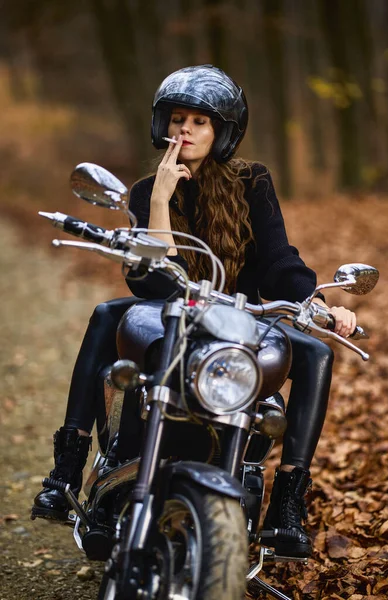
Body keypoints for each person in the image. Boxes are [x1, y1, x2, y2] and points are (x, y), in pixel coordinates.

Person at [32, 65, 356, 558]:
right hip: (169, 311)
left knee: (314, 355)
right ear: (162, 123)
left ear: (222, 132)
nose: (184, 129)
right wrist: (160, 199)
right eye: (177, 118)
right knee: (106, 315)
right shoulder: (144, 192)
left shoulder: (252, 182)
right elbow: (150, 282)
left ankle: (287, 503)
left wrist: (315, 302)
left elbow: (277, 258)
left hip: (242, 313)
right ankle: (68, 470)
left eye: (199, 121)